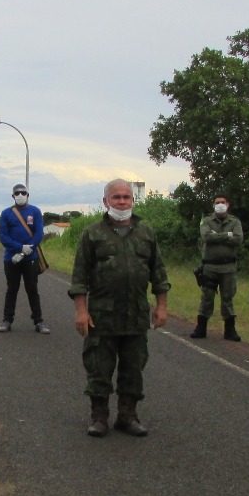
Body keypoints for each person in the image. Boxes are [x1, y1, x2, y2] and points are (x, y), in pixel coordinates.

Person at [69, 179, 170, 437]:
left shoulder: (146, 232)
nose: (122, 202)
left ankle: (128, 416)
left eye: (126, 197)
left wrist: (161, 307)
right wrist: (82, 311)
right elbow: (80, 277)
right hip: (101, 317)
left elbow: (158, 273)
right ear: (106, 202)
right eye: (116, 197)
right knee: (99, 368)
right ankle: (99, 417)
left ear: (133, 200)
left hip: (136, 316)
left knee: (133, 369)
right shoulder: (92, 234)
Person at [0, 182, 50, 334]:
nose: (20, 195)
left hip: (30, 258)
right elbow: (3, 236)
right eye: (17, 193)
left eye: (23, 193)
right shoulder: (6, 213)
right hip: (11, 258)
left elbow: (39, 234)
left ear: (28, 195)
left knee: (32, 289)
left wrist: (25, 251)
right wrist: (19, 249)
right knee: (12, 289)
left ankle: (39, 321)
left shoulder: (35, 211)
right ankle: (7, 320)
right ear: (13, 196)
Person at [191, 194, 243, 341]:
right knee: (207, 296)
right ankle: (201, 328)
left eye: (222, 202)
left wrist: (217, 236)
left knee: (228, 297)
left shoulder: (235, 221)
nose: (220, 204)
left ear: (228, 204)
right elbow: (206, 237)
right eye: (217, 202)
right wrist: (228, 235)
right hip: (210, 266)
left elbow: (238, 239)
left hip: (228, 266)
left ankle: (230, 330)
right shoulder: (206, 220)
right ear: (213, 205)